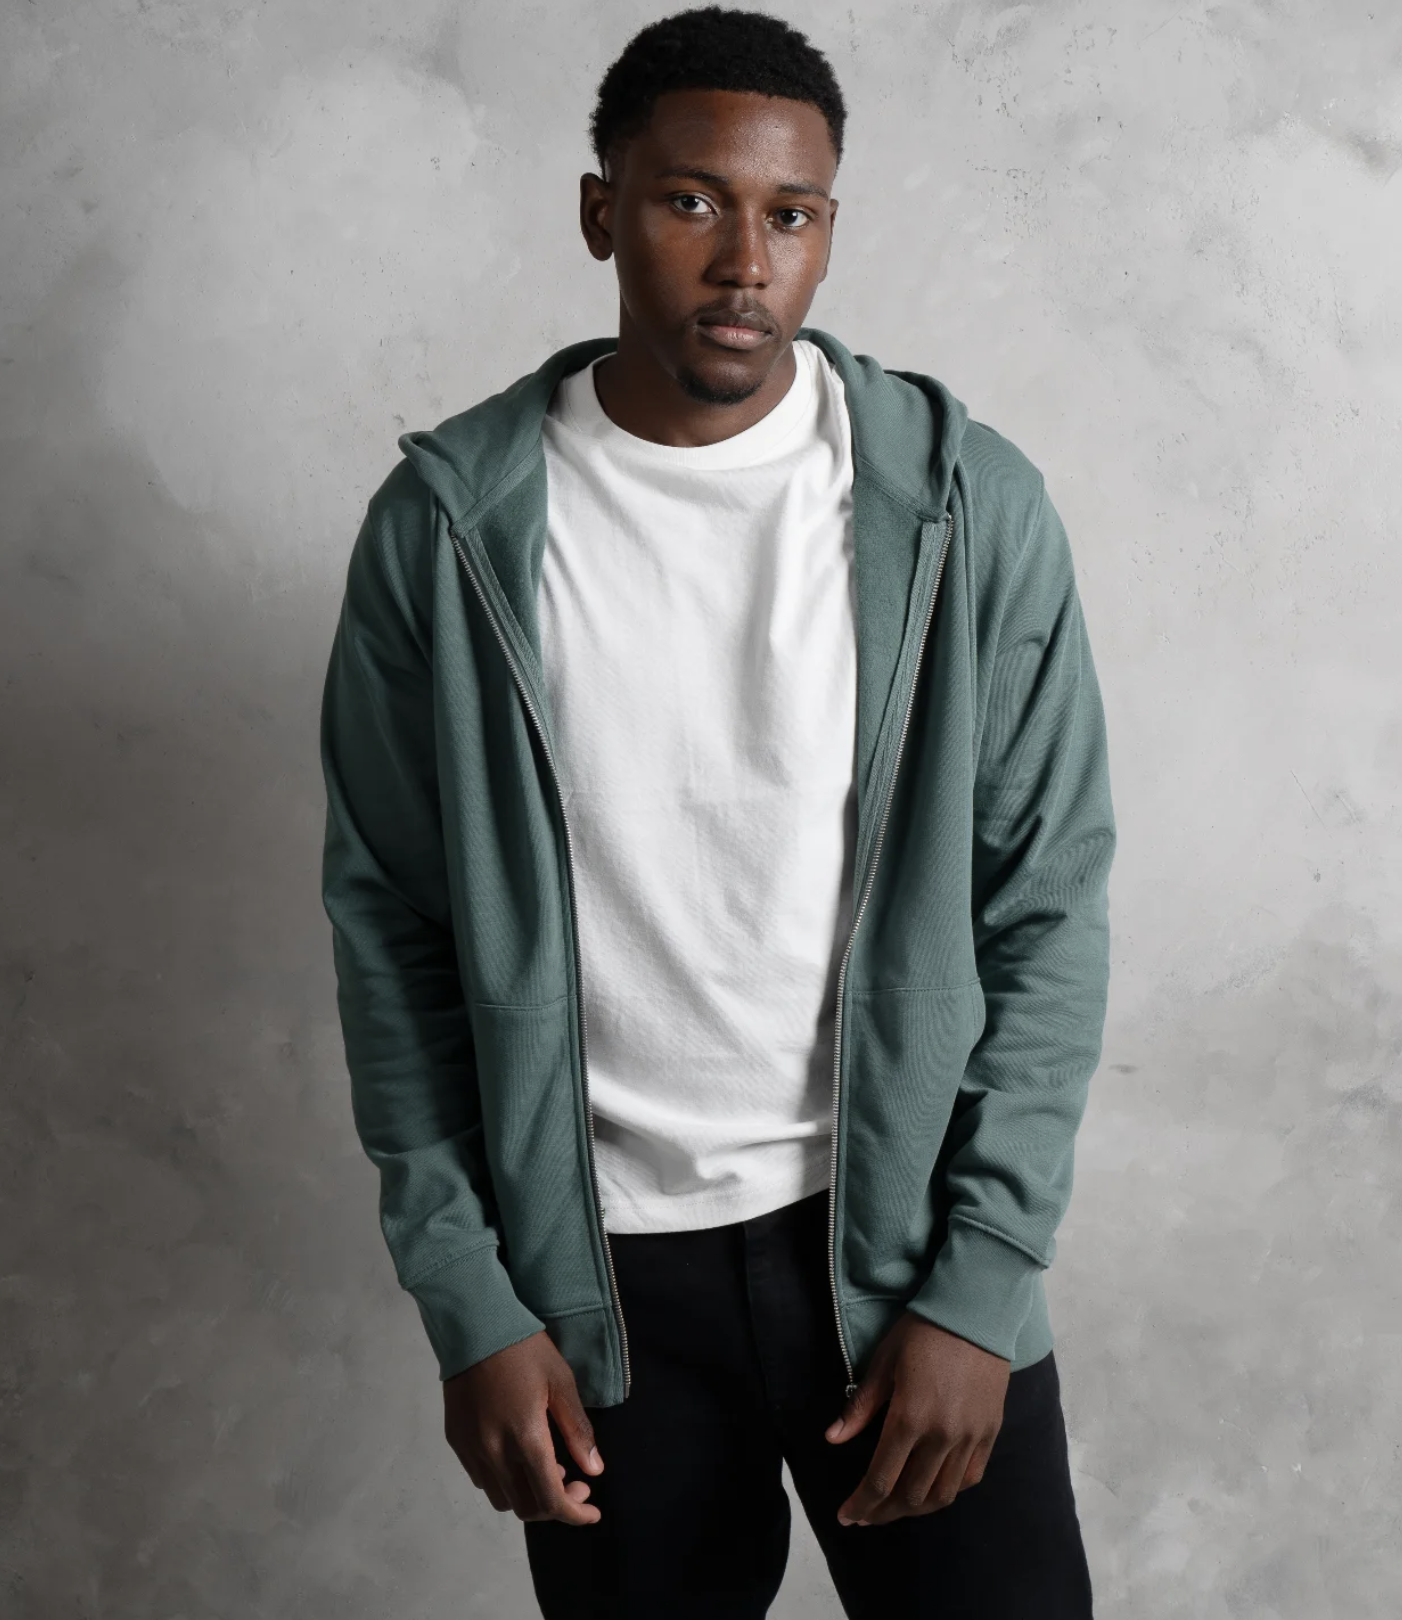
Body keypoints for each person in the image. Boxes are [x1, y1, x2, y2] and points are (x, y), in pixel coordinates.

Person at [319, 7, 1115, 1616]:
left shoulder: (966, 507)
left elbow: (1045, 905)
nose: (745, 259)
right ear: (602, 210)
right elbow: (390, 933)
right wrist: (471, 1300)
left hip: (895, 1268)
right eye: (692, 201)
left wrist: (979, 1288)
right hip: (600, 1294)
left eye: (791, 213)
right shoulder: (449, 531)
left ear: (828, 227)